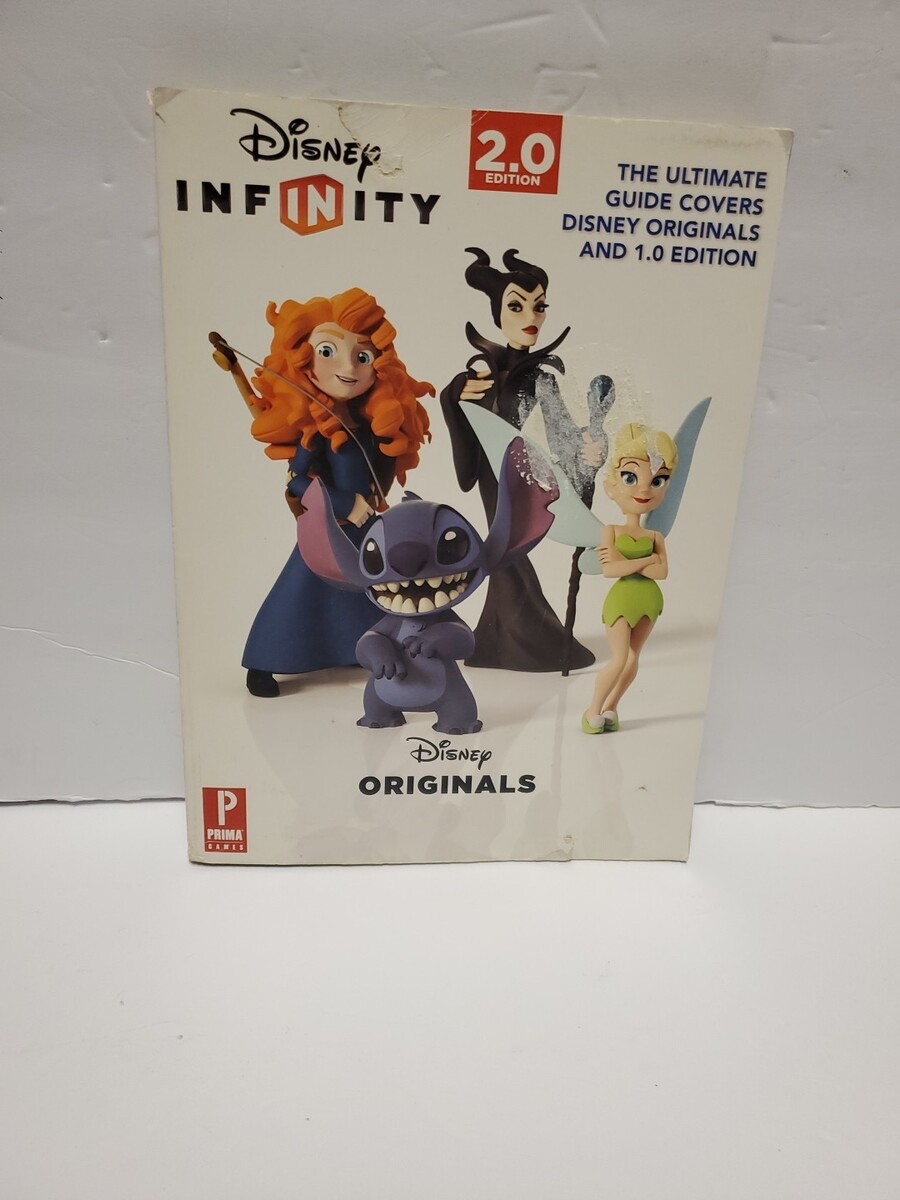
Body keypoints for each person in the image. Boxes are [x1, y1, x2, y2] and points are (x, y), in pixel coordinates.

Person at [213, 288, 432, 696]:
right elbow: (296, 481)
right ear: (303, 363)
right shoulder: (317, 432)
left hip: (368, 528)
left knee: (373, 590)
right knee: (301, 588)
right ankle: (265, 659)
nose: (348, 367)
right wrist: (346, 503)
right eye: (328, 352)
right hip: (332, 527)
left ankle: (368, 650)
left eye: (362, 356)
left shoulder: (375, 424)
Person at [440, 247, 612, 671]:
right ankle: (502, 637)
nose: (530, 316)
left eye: (539, 306)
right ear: (498, 313)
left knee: (507, 551)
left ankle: (509, 638)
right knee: (503, 552)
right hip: (489, 473)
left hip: (517, 473)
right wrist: (454, 395)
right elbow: (462, 418)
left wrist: (588, 449)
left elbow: (563, 434)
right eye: (516, 306)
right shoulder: (478, 374)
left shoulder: (541, 378)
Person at [582, 423, 678, 733]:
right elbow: (610, 570)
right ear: (611, 486)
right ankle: (592, 711)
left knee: (634, 658)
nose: (644, 490)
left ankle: (612, 707)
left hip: (649, 601)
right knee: (619, 657)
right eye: (630, 477)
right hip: (621, 601)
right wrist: (647, 560)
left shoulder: (655, 536)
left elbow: (662, 573)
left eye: (658, 480)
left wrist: (630, 562)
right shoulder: (611, 531)